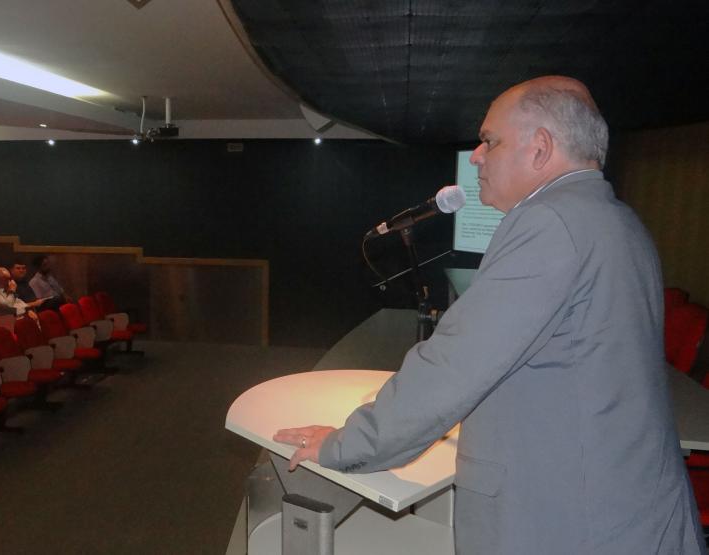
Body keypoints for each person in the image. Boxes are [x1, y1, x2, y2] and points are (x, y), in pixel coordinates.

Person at [274, 76, 703, 554]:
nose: (476, 156)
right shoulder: (618, 220)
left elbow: (456, 363)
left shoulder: (549, 223)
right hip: (625, 505)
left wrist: (346, 444)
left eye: (489, 141)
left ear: (540, 148)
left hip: (570, 519)